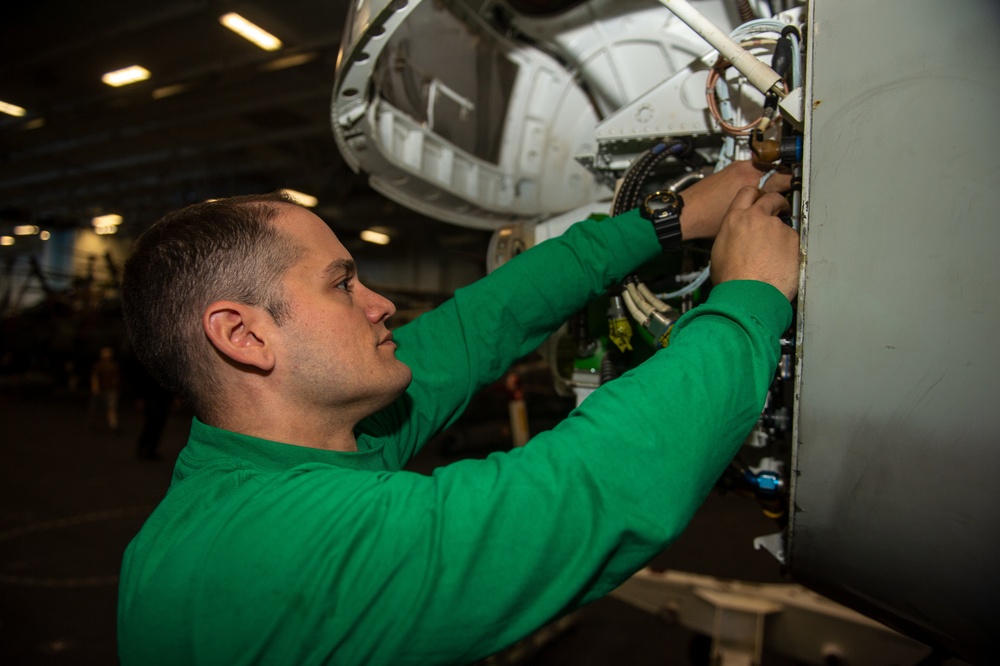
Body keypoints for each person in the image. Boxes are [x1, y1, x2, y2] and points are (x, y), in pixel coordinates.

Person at [117, 161, 798, 665]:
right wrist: (749, 295)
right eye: (342, 283)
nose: (379, 303)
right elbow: (592, 486)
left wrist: (666, 220)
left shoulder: (285, 451)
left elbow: (483, 322)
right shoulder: (284, 548)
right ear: (244, 336)